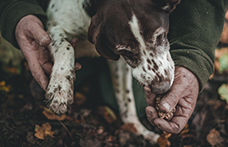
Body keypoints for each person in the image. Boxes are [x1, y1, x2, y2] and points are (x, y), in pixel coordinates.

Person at [0, 0, 227, 134]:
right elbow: (56, 27)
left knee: (141, 109)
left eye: (159, 38)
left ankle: (129, 115)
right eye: (126, 50)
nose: (160, 75)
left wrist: (193, 57)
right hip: (68, 24)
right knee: (18, 56)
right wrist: (16, 12)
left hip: (110, 40)